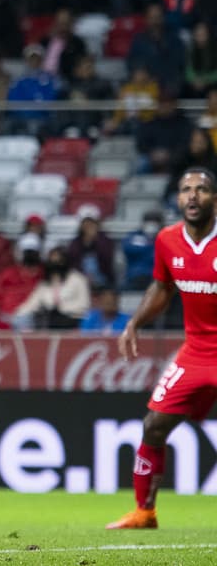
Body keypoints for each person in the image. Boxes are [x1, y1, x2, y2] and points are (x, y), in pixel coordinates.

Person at [108, 168, 217, 530]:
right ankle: (145, 512)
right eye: (186, 189)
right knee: (154, 426)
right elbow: (162, 287)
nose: (192, 195)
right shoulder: (168, 240)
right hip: (195, 352)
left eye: (202, 189)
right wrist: (134, 323)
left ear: (215, 200)